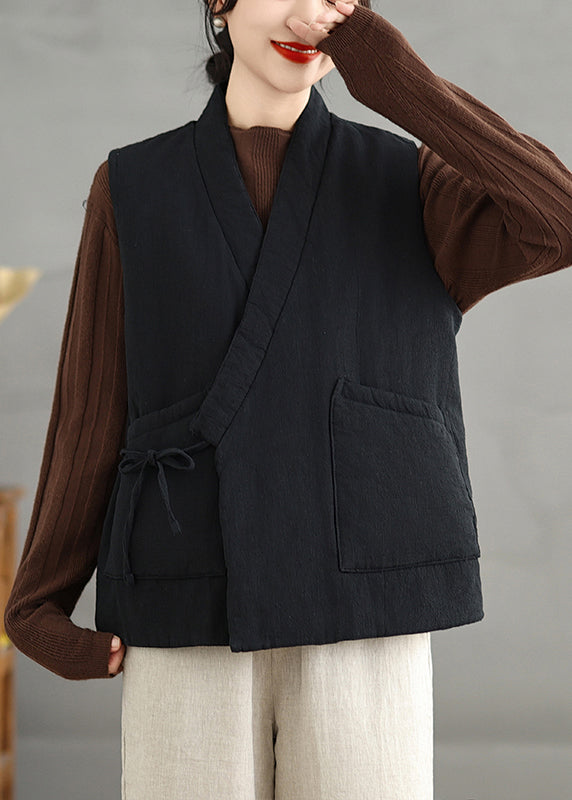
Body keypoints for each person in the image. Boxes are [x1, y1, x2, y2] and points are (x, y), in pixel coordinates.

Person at [4, 1, 572, 798]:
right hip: (188, 584)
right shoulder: (133, 186)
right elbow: (93, 405)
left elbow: (558, 217)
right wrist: (37, 602)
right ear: (221, 5)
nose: (311, 14)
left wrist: (396, 80)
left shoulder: (410, 180)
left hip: (367, 596)